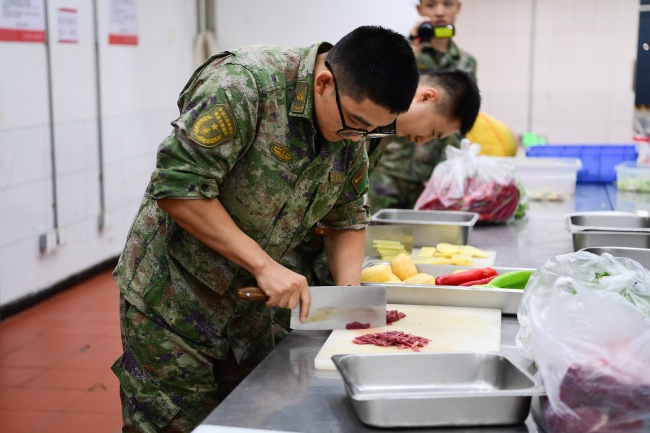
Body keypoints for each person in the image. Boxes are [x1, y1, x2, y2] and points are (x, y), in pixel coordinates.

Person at [110, 25, 419, 433]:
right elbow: (177, 188)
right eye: (356, 125)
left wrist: (350, 301)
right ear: (324, 82)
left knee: (249, 418)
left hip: (251, 305)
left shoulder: (350, 127)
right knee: (173, 422)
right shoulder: (245, 85)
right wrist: (264, 265)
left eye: (372, 131)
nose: (358, 139)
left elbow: (347, 217)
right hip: (172, 295)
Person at [275, 69, 480, 338]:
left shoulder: (377, 133)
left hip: (320, 255)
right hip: (279, 256)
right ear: (427, 97)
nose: (423, 142)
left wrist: (349, 296)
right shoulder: (346, 110)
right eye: (432, 131)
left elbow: (347, 206)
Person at [368, 0, 478, 213]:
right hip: (391, 167)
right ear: (419, 10)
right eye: (430, 5)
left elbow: (458, 120)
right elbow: (381, 90)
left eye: (447, 4)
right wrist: (412, 46)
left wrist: (446, 173)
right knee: (378, 231)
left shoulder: (466, 62)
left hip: (431, 172)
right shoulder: (406, 49)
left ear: (458, 7)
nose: (439, 12)